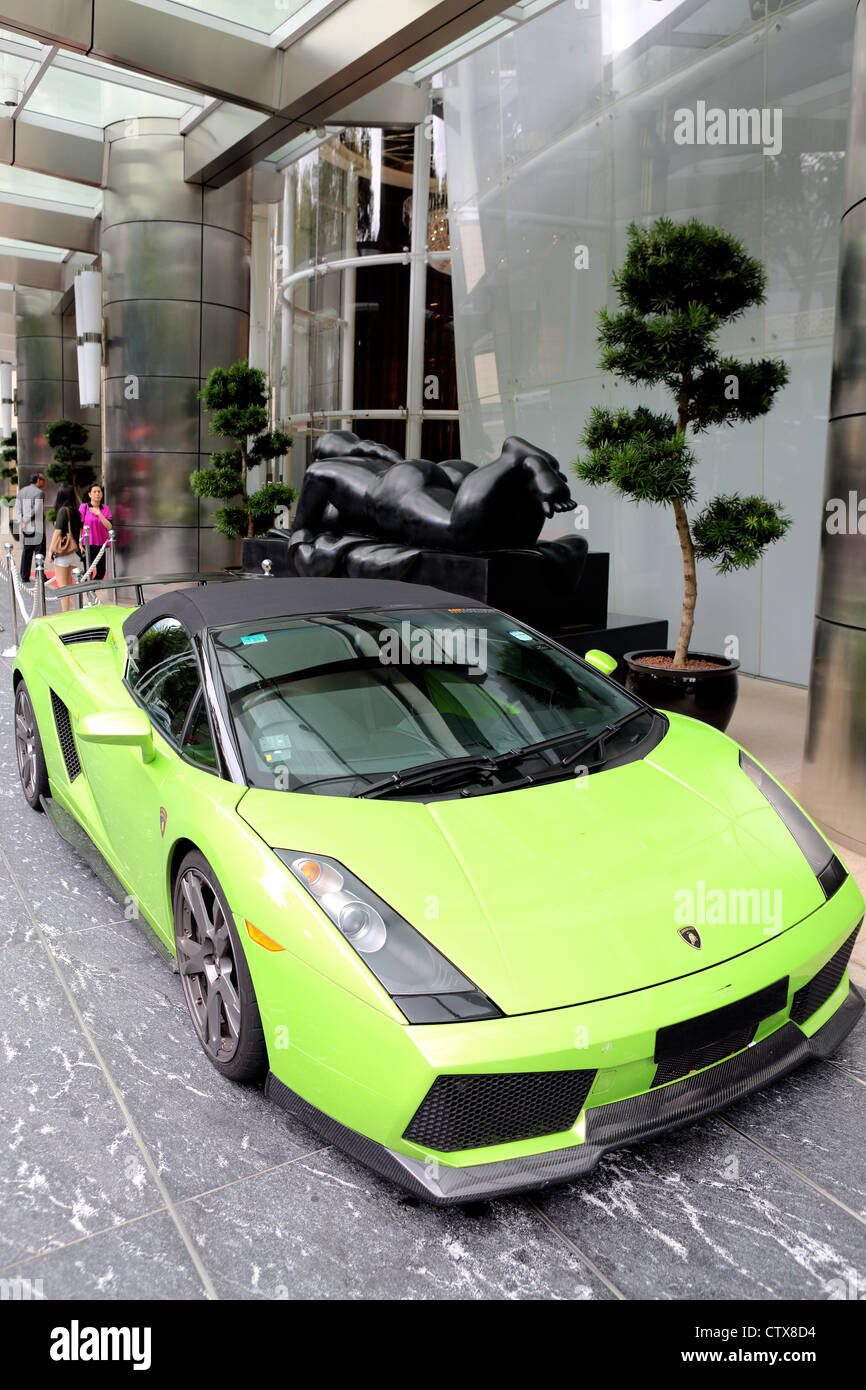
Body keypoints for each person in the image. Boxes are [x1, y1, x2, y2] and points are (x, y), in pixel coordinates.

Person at [289, 431, 577, 569]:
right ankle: (523, 481)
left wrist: (300, 535)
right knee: (507, 537)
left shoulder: (330, 469)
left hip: (393, 492)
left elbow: (314, 476)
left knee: (457, 529)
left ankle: (515, 458)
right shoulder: (374, 462)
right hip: (441, 473)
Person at [46, 485, 82, 613]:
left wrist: (50, 550)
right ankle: (77, 611)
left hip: (63, 554)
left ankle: (65, 613)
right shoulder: (76, 512)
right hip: (74, 553)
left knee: (63, 587)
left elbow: (57, 532)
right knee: (70, 586)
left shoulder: (63, 511)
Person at [14, 471, 46, 582]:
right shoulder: (39, 492)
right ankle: (39, 575)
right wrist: (27, 519)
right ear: (38, 480)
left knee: (27, 551)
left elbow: (17, 507)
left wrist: (21, 520)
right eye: (43, 480)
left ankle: (24, 575)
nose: (44, 482)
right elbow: (37, 510)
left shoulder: (22, 491)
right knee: (39, 551)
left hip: (26, 527)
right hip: (37, 526)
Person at [79, 483, 112, 586]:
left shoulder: (105, 509)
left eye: (99, 491)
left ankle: (91, 589)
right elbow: (79, 526)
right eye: (94, 492)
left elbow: (109, 527)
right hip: (87, 544)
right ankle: (87, 590)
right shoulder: (84, 507)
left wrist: (99, 514)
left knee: (101, 572)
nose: (97, 494)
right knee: (88, 571)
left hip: (101, 544)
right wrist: (79, 543)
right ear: (89, 494)